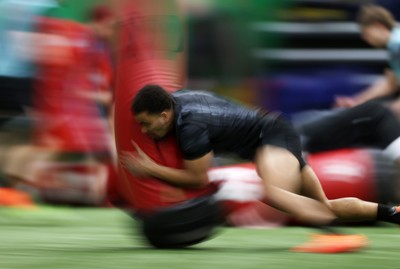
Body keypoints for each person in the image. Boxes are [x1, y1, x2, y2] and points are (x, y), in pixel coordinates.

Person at [120, 84, 400, 231]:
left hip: (271, 137)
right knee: (325, 204)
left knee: (275, 195)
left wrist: (151, 169)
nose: (144, 131)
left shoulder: (189, 125)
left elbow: (198, 178)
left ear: (164, 115)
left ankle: (331, 236)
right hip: (274, 133)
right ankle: (393, 213)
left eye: (146, 124)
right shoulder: (178, 99)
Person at [334, 5, 400, 118]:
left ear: (379, 26)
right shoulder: (395, 43)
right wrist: (356, 102)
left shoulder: (396, 45)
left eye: (366, 32)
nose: (364, 38)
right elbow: (391, 83)